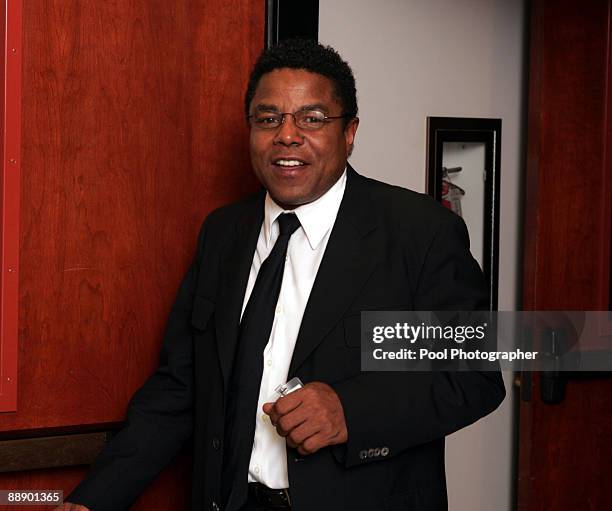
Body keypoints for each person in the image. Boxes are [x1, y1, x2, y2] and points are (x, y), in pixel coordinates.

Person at [56, 39, 505, 511]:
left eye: (312, 118)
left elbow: (473, 377)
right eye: (268, 119)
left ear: (349, 132)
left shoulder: (420, 232)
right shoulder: (222, 234)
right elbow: (180, 388)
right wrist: (94, 499)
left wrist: (350, 412)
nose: (287, 135)